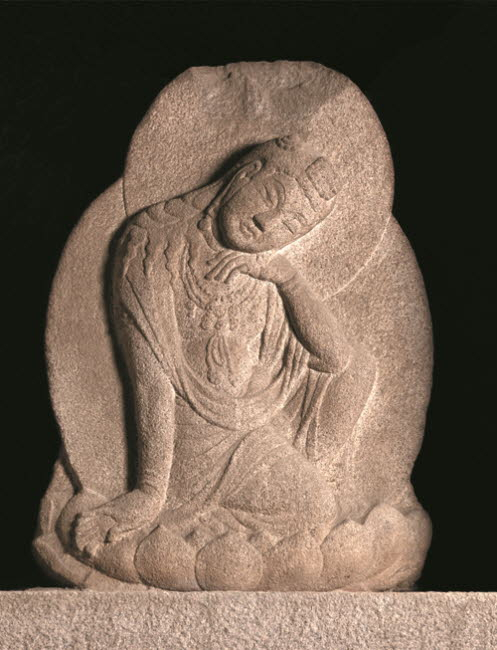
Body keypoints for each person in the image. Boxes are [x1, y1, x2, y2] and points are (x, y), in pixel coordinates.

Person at [72, 135, 358, 589]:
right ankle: (194, 536)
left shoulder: (266, 270)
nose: (268, 222)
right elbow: (151, 380)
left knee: (318, 508)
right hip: (182, 440)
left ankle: (212, 545)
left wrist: (286, 277)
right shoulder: (152, 242)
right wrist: (149, 492)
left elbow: (335, 358)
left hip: (247, 437)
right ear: (245, 174)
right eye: (271, 196)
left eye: (291, 225)